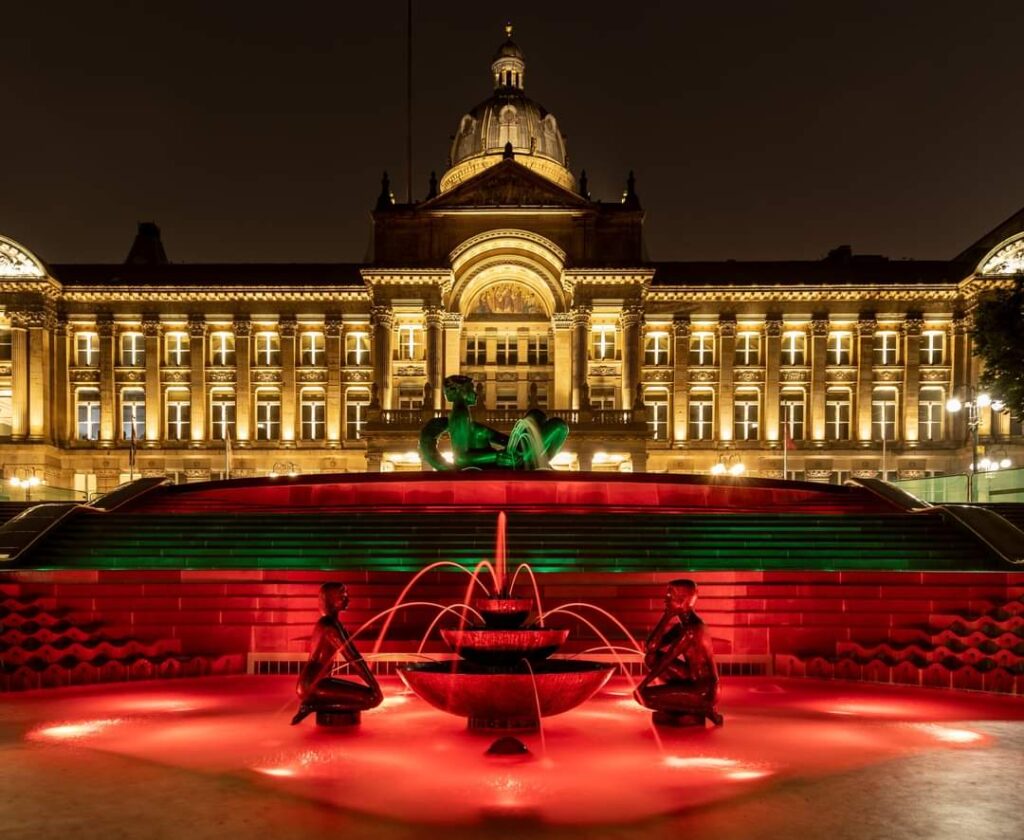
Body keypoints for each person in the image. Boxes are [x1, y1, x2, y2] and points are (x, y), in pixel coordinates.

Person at [634, 579, 724, 726]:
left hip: (705, 690)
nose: (665, 600)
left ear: (682, 601)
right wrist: (666, 617)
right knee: (650, 659)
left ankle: (699, 708)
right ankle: (687, 704)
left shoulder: (691, 631)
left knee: (643, 696)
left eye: (669, 596)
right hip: (691, 679)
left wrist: (643, 685)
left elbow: (666, 660)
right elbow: (650, 648)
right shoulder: (681, 626)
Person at [291, 582, 383, 726]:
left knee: (372, 696)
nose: (348, 598)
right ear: (332, 599)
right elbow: (352, 658)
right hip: (313, 685)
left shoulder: (334, 623)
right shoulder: (329, 626)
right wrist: (375, 686)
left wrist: (373, 684)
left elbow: (354, 654)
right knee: (373, 698)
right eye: (343, 595)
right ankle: (313, 705)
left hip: (318, 682)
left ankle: (312, 705)